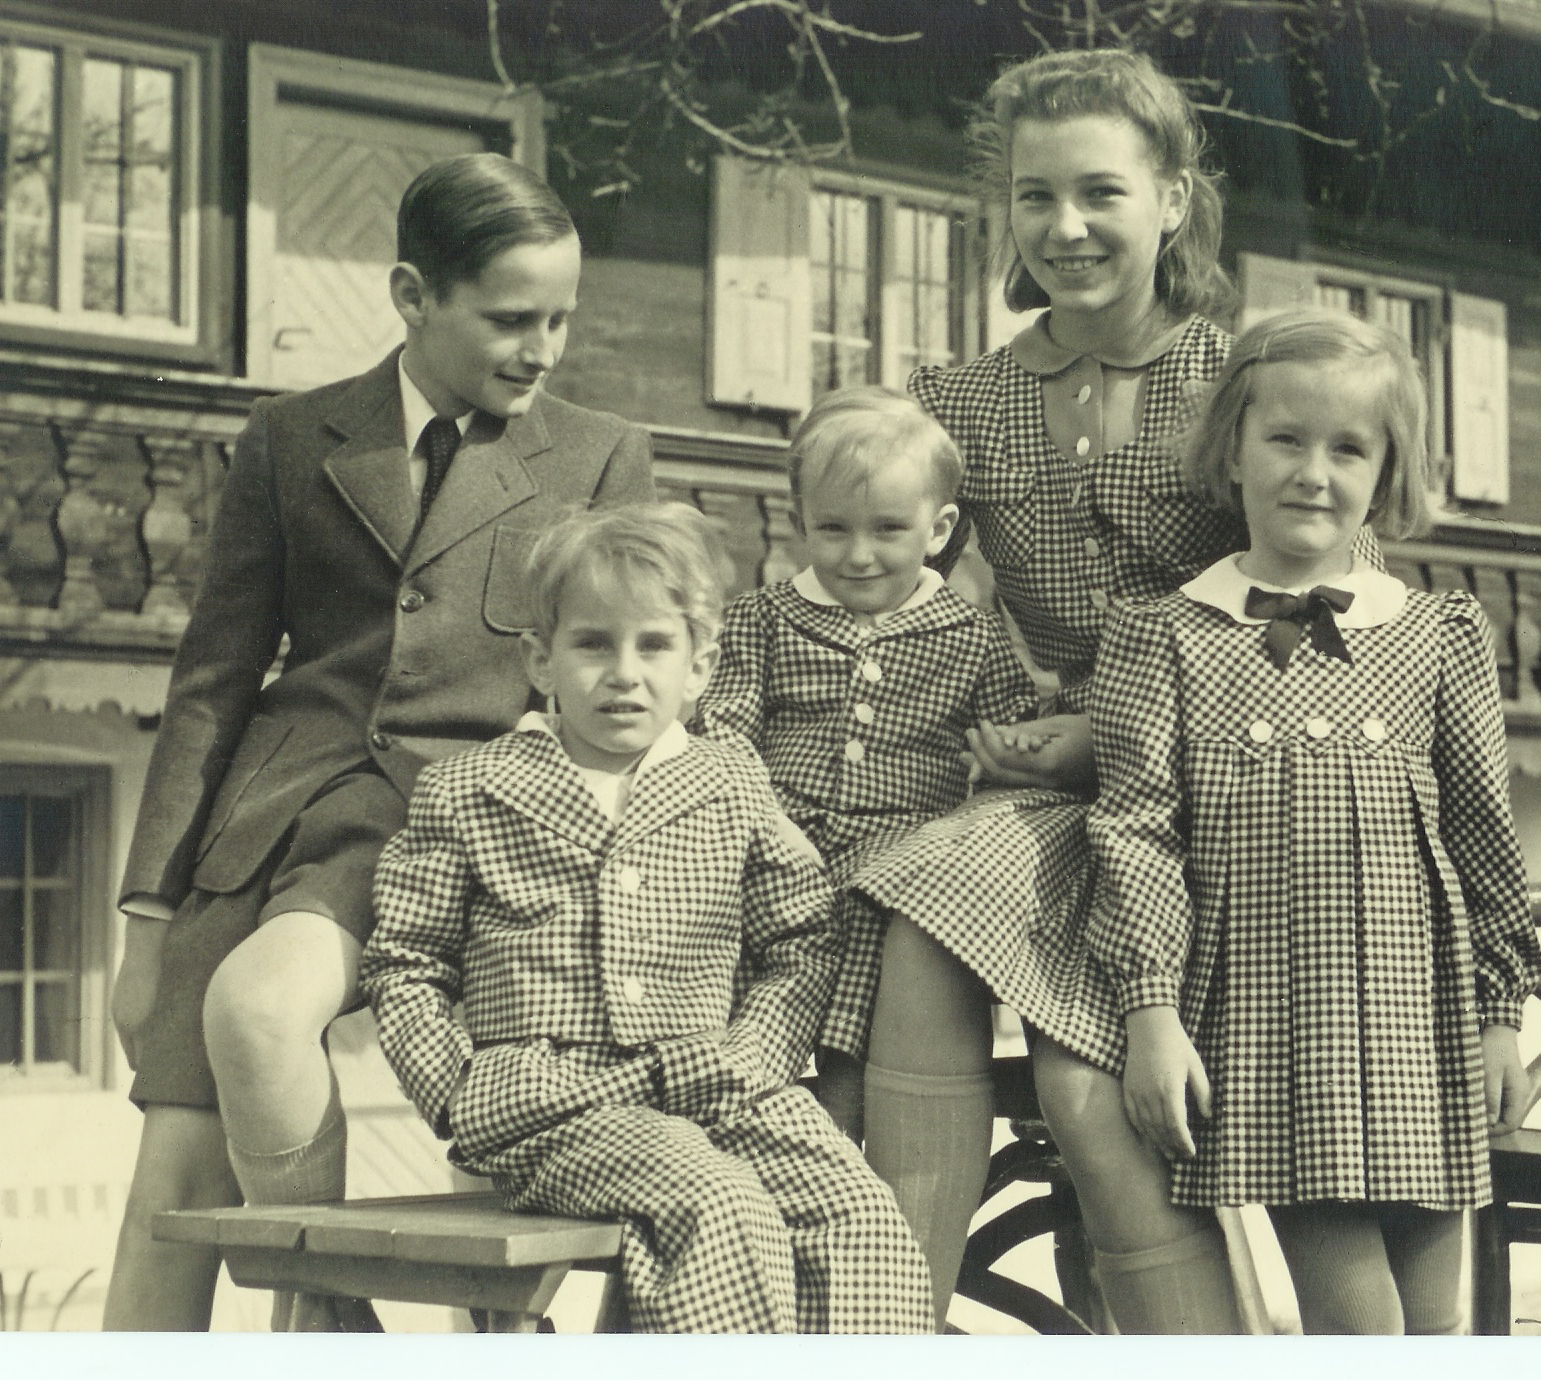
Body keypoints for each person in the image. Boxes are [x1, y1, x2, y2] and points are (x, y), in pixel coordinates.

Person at [852, 48, 1389, 1330]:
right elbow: (892, 586)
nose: (1066, 228)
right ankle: (883, 1320)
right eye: (1033, 198)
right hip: (1053, 800)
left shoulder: (1247, 384)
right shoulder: (958, 400)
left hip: (1230, 789)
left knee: (1088, 1103)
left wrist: (1110, 733)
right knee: (915, 913)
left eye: (1099, 191)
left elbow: (1342, 615)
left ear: (1172, 200)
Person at [104, 153, 656, 1331]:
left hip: (457, 829)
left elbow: (632, 679)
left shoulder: (599, 455)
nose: (542, 347)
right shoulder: (290, 438)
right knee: (176, 1168)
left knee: (461, 1156)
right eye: (510, 318)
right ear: (413, 296)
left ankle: (326, 1319)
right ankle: (299, 1322)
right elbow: (212, 677)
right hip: (266, 830)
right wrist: (147, 918)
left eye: (560, 317)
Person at [361, 502, 935, 1334]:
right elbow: (405, 962)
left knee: (858, 1216)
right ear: (541, 660)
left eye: (654, 645)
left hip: (721, 1086)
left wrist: (752, 1055)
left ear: (700, 667)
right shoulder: (472, 787)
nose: (624, 673)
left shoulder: (729, 779)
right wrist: (454, 1089)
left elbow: (802, 939)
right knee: (713, 1200)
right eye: (593, 643)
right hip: (558, 1105)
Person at [1087, 306, 1541, 1333]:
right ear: (1232, 451)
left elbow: (1482, 833)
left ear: (1384, 474)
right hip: (1275, 1027)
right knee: (1361, 1331)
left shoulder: (1436, 631)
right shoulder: (1164, 634)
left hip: (1419, 1026)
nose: (1312, 472)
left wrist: (1498, 1008)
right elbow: (1135, 832)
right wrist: (1149, 1010)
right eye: (1284, 439)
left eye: (1348, 448)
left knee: (1436, 1332)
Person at [693, 386, 1038, 1141]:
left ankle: (847, 1165)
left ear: (938, 527)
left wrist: (1013, 755)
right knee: (746, 1020)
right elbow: (724, 735)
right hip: (778, 849)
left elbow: (1014, 737)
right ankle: (739, 1119)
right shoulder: (764, 620)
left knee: (866, 1042)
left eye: (888, 529)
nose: (858, 554)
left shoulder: (968, 636)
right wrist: (764, 829)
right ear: (798, 523)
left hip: (899, 864)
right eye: (833, 529)